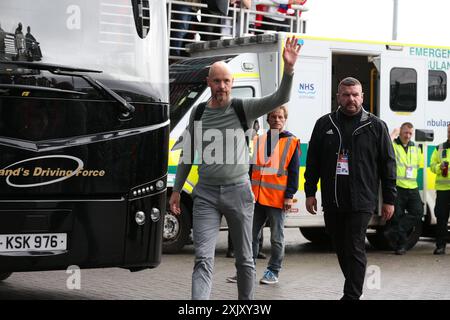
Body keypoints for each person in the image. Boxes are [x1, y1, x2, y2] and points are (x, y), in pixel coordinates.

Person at [169, 36, 301, 300]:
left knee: (244, 259)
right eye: (216, 81)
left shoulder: (244, 108)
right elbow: (187, 156)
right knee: (203, 258)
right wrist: (176, 191)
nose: (222, 86)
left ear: (233, 83)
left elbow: (280, 97)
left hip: (238, 192)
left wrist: (288, 70)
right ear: (209, 83)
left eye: (226, 81)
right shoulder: (197, 114)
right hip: (205, 195)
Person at [304, 77, 397, 300]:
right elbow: (313, 160)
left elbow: (388, 164)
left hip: (362, 199)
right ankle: (355, 285)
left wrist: (389, 199)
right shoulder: (324, 124)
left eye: (355, 94)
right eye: (346, 95)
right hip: (333, 198)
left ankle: (352, 295)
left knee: (355, 245)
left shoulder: (375, 126)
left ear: (362, 97)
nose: (351, 99)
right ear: (338, 97)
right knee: (340, 246)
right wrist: (309, 192)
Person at [251, 105, 300, 284]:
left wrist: (289, 196)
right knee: (250, 236)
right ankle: (248, 269)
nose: (277, 120)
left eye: (280, 117)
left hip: (277, 199)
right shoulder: (260, 140)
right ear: (268, 119)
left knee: (276, 238)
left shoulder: (291, 141)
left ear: (284, 119)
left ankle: (273, 271)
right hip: (256, 197)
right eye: (273, 117)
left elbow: (294, 172)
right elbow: (252, 169)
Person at [384, 122, 423, 255]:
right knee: (397, 216)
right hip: (398, 186)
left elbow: (419, 164)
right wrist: (392, 135)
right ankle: (400, 247)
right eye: (406, 132)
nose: (408, 136)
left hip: (412, 186)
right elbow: (383, 147)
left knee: (418, 213)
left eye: (410, 133)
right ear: (401, 132)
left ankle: (394, 231)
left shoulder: (415, 147)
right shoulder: (393, 146)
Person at [430, 123, 450, 255]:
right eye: (449, 131)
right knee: (441, 218)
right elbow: (432, 165)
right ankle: (440, 246)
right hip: (443, 189)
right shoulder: (440, 147)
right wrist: (439, 168)